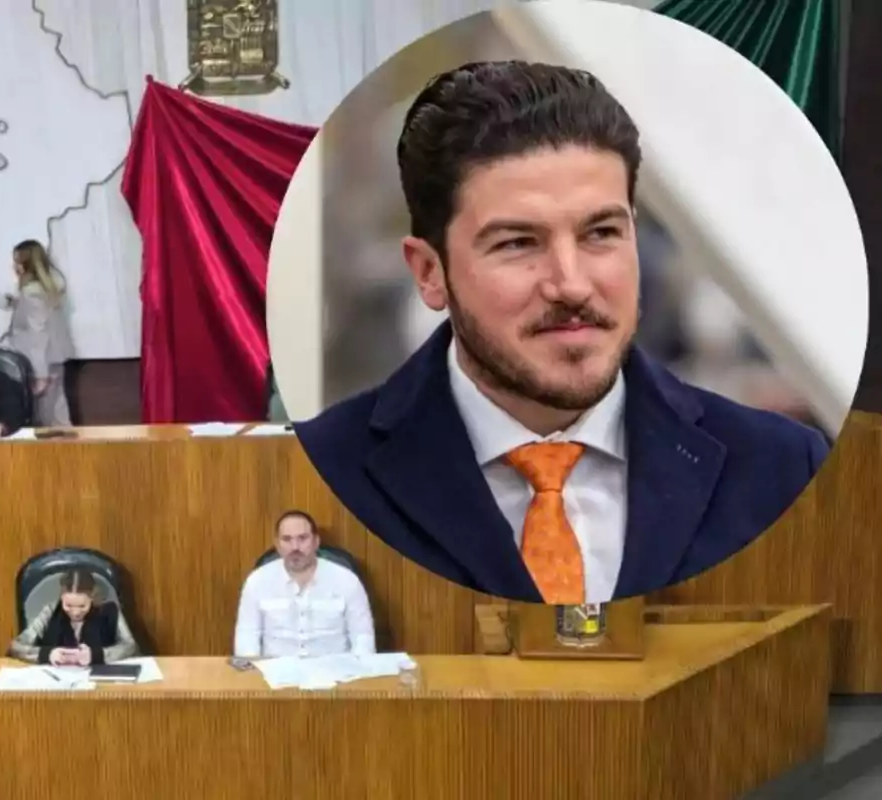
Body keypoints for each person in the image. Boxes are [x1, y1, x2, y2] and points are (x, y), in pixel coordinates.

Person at [294, 61, 829, 604]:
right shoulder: (321, 478)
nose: (571, 285)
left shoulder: (780, 471)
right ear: (430, 273)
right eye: (518, 243)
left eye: (601, 233)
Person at [233, 510, 375, 659]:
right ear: (277, 544)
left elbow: (363, 638)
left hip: (335, 676)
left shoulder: (347, 580)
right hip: (276, 676)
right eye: (287, 539)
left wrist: (358, 676)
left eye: (302, 538)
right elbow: (246, 639)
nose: (295, 547)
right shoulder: (257, 581)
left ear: (316, 542)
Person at [0, 240, 74, 427]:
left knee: (48, 420)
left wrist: (41, 374)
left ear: (26, 264)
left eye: (16, 261)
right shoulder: (47, 288)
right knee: (58, 415)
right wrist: (16, 304)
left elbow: (38, 333)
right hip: (54, 359)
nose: (14, 266)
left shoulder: (31, 293)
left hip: (40, 364)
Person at [8, 570, 138, 666]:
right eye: (68, 605)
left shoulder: (109, 611)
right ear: (62, 597)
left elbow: (131, 647)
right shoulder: (51, 610)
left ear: (92, 597)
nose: (75, 613)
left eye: (82, 606)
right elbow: (17, 646)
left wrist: (97, 655)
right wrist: (47, 654)